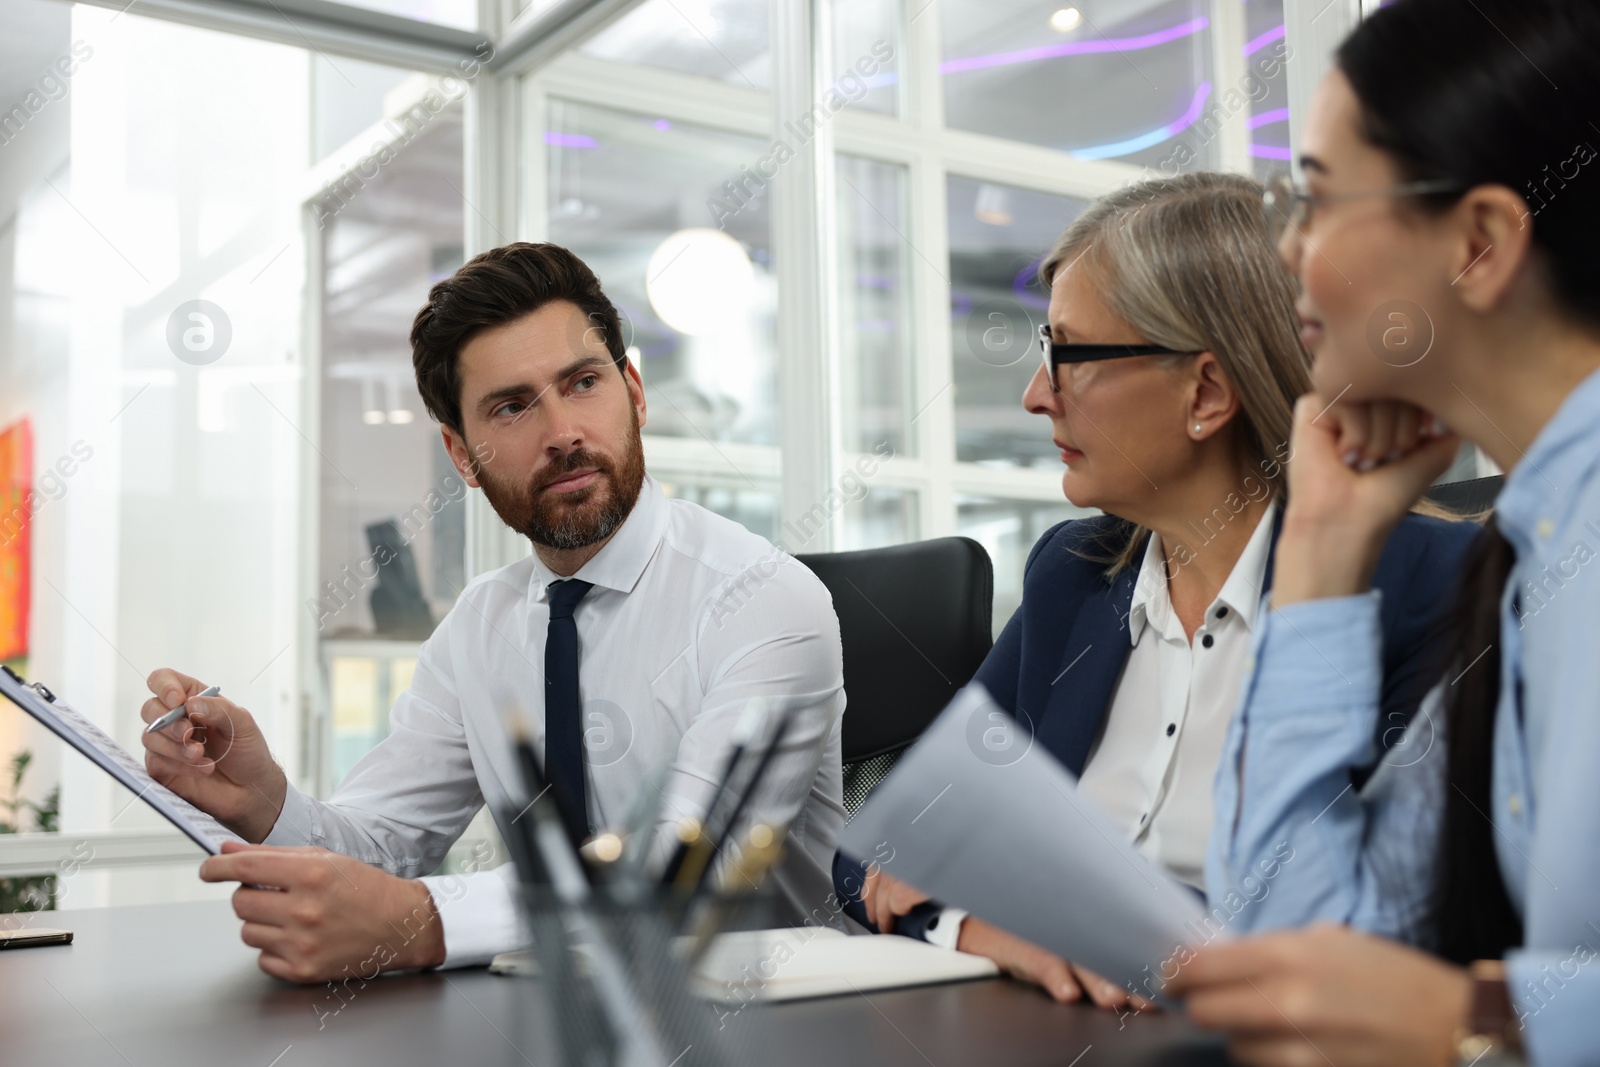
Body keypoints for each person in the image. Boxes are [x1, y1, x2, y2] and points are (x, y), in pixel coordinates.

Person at [837, 172, 1477, 1008]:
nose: (1037, 394)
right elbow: (878, 848)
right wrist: (988, 929)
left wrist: (1033, 909)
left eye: (1069, 355)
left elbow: (1372, 930)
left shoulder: (1434, 587)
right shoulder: (1075, 572)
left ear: (1206, 392)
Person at [139, 243, 847, 983]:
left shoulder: (764, 597)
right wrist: (264, 800)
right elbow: (382, 849)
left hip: (773, 1024)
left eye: (582, 382)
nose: (562, 431)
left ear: (635, 392)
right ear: (463, 456)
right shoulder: (479, 628)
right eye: (512, 406)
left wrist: (424, 920)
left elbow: (676, 873)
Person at [1167, 2, 1600, 1065]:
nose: (1287, 250)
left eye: (1313, 199)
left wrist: (1487, 1022)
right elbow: (1301, 958)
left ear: (1480, 241)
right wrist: (1318, 545)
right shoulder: (1532, 553)